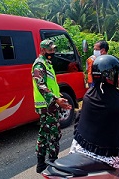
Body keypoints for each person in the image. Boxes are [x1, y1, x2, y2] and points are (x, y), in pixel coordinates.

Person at [32, 39, 72, 173]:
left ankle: (41, 164)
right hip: (47, 106)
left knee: (44, 134)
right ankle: (54, 164)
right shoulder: (39, 65)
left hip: (50, 104)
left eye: (54, 49)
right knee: (54, 134)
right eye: (50, 50)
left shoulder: (47, 63)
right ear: (43, 50)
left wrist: (59, 96)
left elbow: (51, 84)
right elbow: (41, 85)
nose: (53, 52)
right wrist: (56, 99)